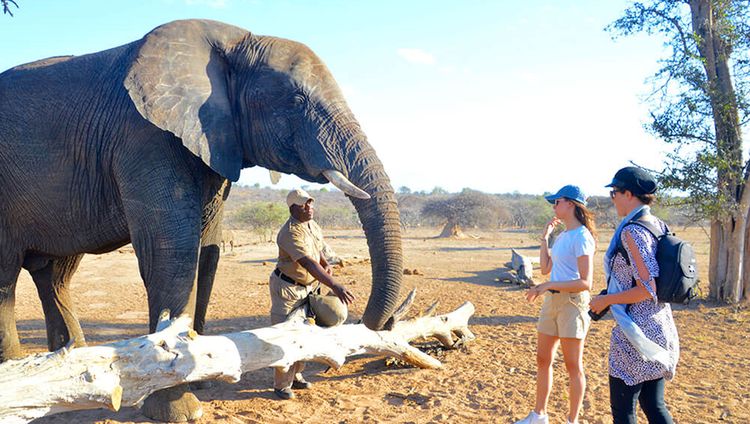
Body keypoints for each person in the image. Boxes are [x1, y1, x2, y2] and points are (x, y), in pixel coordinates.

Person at [589, 167, 679, 424]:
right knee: (654, 404)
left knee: (624, 410)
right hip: (659, 326)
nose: (612, 197)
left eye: (614, 192)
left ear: (628, 193)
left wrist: (606, 300)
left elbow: (646, 288)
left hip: (636, 334)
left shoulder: (632, 231)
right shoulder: (657, 224)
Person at [517, 184, 597, 424]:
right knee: (543, 359)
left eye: (557, 202)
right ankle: (539, 416)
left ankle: (572, 421)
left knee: (573, 365)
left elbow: (586, 282)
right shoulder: (563, 236)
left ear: (571, 204)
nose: (554, 206)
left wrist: (546, 286)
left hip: (572, 304)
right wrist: (544, 238)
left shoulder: (583, 236)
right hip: (552, 302)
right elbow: (545, 269)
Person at [269, 188, 356, 400]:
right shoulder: (289, 232)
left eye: (310, 203)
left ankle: (297, 375)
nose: (309, 208)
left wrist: (326, 265)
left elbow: (318, 253)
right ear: (292, 208)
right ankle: (281, 385)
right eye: (303, 205)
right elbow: (307, 262)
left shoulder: (312, 225)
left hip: (310, 287)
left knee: (306, 331)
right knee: (285, 333)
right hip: (288, 289)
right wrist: (335, 285)